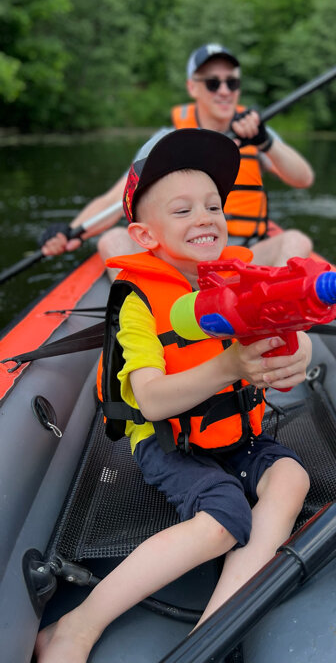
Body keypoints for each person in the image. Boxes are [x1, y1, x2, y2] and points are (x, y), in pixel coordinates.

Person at [35, 128, 311, 663]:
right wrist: (229, 364)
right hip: (168, 440)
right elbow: (153, 401)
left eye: (213, 205)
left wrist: (287, 363)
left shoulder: (236, 282)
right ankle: (74, 627)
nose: (205, 217)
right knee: (225, 516)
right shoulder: (140, 301)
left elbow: (272, 365)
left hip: (233, 435)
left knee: (291, 476)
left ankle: (208, 634)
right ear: (143, 234)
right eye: (182, 210)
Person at [40, 43, 314, 268]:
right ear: (192, 87)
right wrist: (71, 230)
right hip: (179, 259)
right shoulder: (165, 141)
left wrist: (266, 142)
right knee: (113, 241)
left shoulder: (257, 132)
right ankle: (148, 312)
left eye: (232, 82)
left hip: (242, 259)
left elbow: (303, 178)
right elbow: (115, 200)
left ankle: (266, 314)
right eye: (212, 83)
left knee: (296, 242)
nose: (223, 91)